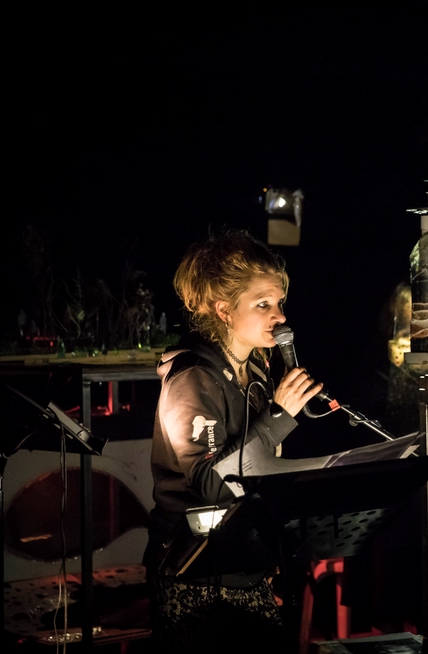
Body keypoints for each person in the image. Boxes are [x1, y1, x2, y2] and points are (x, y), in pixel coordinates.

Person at [143, 230, 323, 651]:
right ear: (224, 310)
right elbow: (211, 484)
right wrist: (278, 417)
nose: (279, 316)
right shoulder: (192, 378)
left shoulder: (256, 375)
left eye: (279, 304)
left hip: (246, 565)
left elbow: (262, 471)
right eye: (263, 305)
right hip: (195, 575)